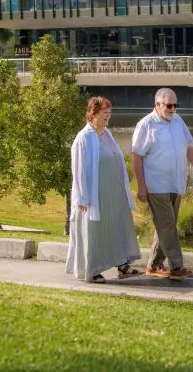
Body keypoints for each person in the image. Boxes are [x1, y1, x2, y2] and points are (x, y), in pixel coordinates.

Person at [131, 88, 193, 281]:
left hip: (177, 183)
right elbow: (136, 158)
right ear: (157, 105)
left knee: (166, 226)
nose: (173, 109)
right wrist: (141, 186)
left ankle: (154, 265)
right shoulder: (145, 125)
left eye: (175, 105)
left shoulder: (178, 121)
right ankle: (177, 266)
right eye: (169, 105)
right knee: (167, 226)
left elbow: (189, 148)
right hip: (156, 186)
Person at [66, 96, 142, 284]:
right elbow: (79, 170)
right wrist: (82, 198)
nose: (108, 117)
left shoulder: (106, 134)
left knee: (116, 228)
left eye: (110, 113)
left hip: (113, 195)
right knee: (94, 232)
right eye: (104, 113)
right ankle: (91, 270)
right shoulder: (84, 138)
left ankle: (123, 265)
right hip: (94, 196)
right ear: (93, 114)